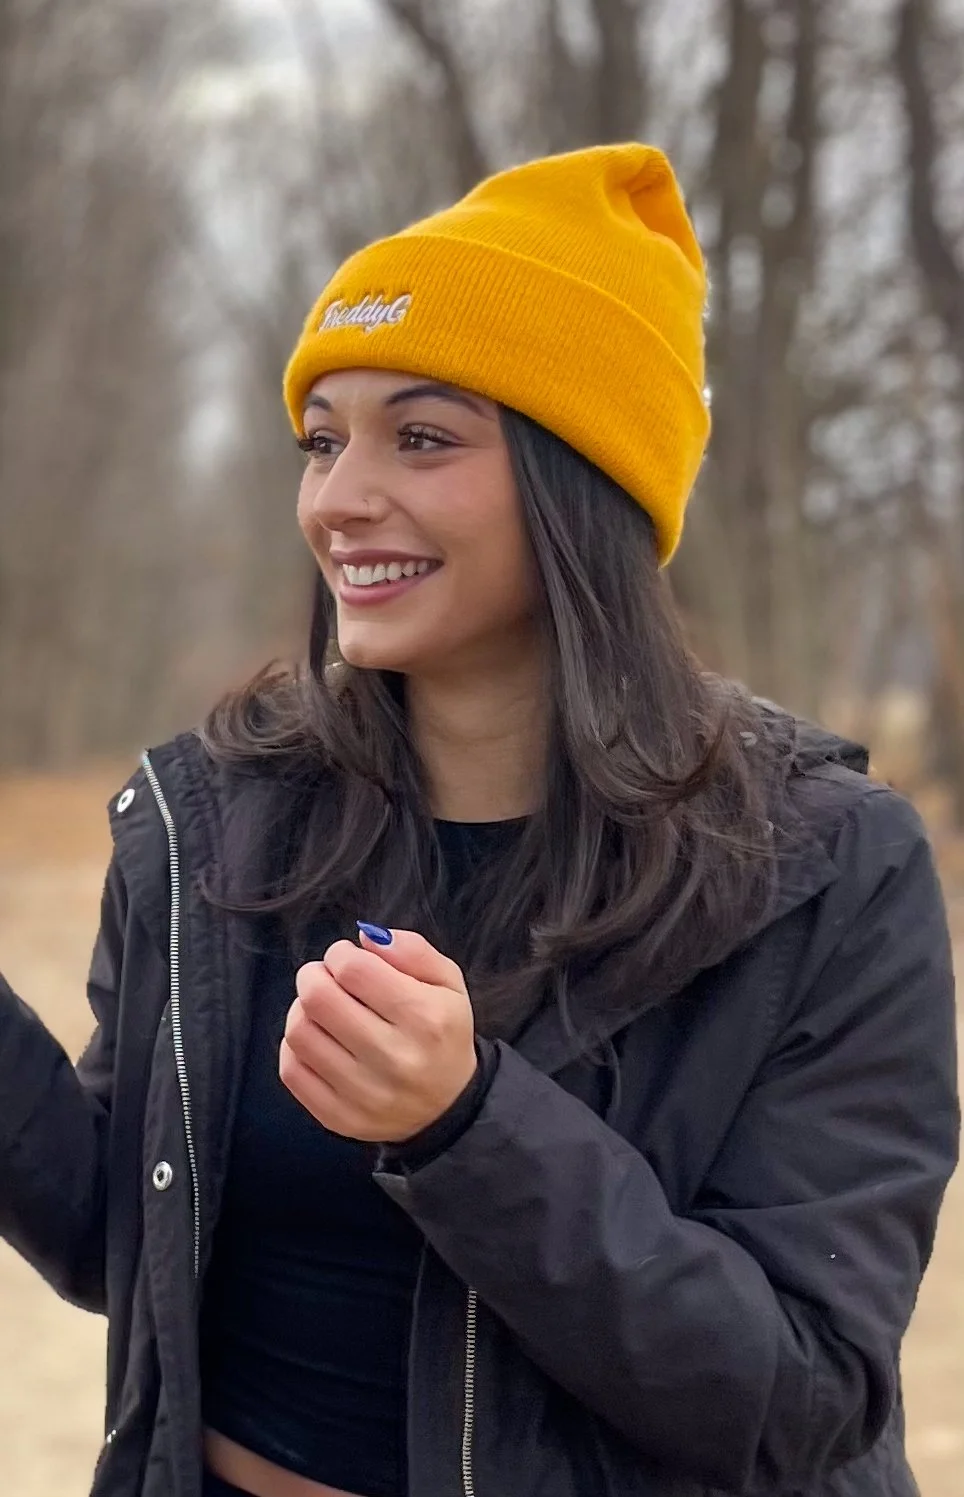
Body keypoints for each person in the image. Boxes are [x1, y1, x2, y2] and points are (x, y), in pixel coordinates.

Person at [0, 143, 958, 1497]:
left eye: (424, 437)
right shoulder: (221, 819)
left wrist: (468, 1128)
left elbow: (801, 1395)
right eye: (322, 439)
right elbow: (127, 1234)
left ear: (586, 481)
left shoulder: (820, 868)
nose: (338, 499)